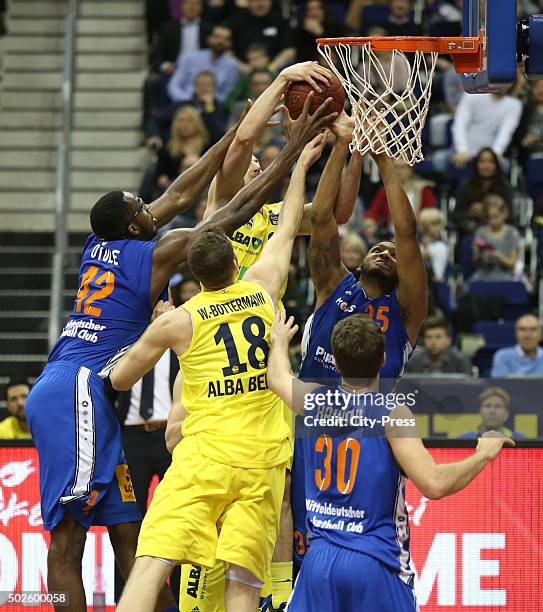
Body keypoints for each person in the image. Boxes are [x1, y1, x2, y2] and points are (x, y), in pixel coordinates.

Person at [24, 103, 328, 611]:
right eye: (141, 207)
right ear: (135, 227)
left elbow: (182, 191)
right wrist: (293, 154)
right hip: (75, 386)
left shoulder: (107, 244)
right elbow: (226, 215)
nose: (151, 207)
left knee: (130, 534)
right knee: (69, 536)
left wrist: (237, 135)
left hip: (95, 391)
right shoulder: (158, 254)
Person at [110, 131, 329, 612]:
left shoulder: (178, 321)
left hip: (203, 456)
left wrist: (147, 330)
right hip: (262, 461)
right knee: (245, 584)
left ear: (192, 273)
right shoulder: (262, 288)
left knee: (150, 565)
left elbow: (121, 378)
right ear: (235, 262)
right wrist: (300, 166)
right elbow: (289, 225)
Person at [202, 64, 361, 609]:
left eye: (253, 163)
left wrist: (349, 146)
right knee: (209, 480)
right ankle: (204, 587)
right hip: (212, 350)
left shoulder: (279, 215)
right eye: (245, 161)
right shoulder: (223, 207)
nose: (248, 161)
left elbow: (334, 212)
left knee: (278, 489)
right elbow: (246, 135)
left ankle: (274, 596)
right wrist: (285, 78)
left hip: (260, 355)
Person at [266, 311, 513, 611]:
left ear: (338, 363)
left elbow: (277, 376)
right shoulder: (392, 415)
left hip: (319, 562)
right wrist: (483, 454)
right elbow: (434, 483)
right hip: (374, 562)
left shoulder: (314, 400)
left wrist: (278, 341)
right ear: (383, 358)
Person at [294, 114, 427, 570]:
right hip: (307, 440)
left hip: (371, 447)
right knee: (293, 560)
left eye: (394, 253)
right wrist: (342, 147)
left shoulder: (406, 313)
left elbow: (407, 234)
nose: (387, 248)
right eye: (380, 245)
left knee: (373, 559)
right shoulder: (333, 285)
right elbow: (324, 217)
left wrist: (385, 158)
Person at [167, 24, 239, 105]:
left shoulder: (232, 66)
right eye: (217, 37)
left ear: (230, 44)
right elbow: (174, 85)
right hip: (186, 102)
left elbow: (228, 94)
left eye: (226, 39)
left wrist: (213, 100)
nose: (220, 41)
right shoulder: (192, 58)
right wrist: (187, 99)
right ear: (209, 39)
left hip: (214, 106)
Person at [452, 148, 513, 237]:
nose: (486, 166)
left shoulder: (504, 187)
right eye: (482, 162)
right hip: (471, 232)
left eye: (491, 162)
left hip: (497, 233)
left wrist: (489, 213)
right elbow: (455, 216)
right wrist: (470, 213)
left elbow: (511, 217)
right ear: (476, 165)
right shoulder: (465, 186)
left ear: (496, 165)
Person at [226, 0, 295, 73]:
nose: (260, 4)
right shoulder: (236, 22)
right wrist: (246, 69)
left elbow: (289, 51)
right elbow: (227, 52)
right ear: (249, 2)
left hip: (275, 70)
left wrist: (270, 69)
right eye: (256, 1)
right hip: (242, 70)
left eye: (264, 0)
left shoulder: (280, 21)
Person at [471, 194, 519, 281]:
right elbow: (476, 261)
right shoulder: (480, 233)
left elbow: (512, 263)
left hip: (505, 275)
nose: (492, 221)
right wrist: (478, 254)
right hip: (483, 274)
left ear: (504, 213)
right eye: (489, 218)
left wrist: (499, 257)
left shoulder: (511, 233)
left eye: (496, 217)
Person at [404, 316, 472, 376]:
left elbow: (468, 388)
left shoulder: (460, 361)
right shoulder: (413, 362)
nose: (433, 342)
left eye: (438, 337)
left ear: (448, 340)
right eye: (429, 337)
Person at [459, 387, 526, 439]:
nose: (492, 411)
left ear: (506, 414)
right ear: (480, 412)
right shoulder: (465, 439)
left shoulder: (518, 438)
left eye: (498, 406)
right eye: (487, 406)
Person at [419, 208, 448, 282]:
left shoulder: (441, 247)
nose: (439, 228)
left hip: (435, 286)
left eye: (440, 224)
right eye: (435, 224)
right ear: (425, 226)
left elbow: (438, 275)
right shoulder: (417, 246)